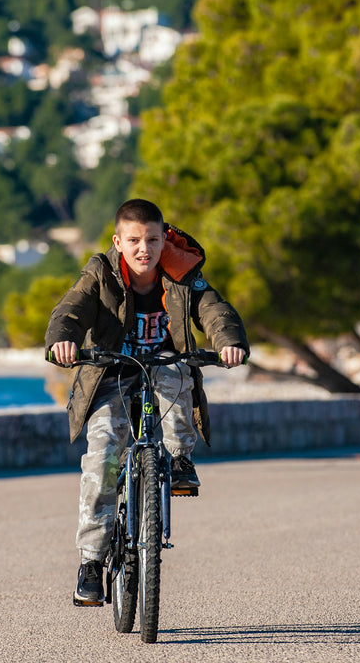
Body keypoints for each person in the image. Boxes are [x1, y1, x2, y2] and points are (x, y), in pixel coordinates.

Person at [46, 198, 249, 607]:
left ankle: (179, 459)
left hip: (163, 365)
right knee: (102, 457)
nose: (144, 249)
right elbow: (71, 310)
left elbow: (215, 311)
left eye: (153, 240)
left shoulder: (182, 273)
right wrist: (62, 340)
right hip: (111, 371)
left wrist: (229, 342)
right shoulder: (100, 273)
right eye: (134, 240)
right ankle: (91, 562)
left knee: (178, 375)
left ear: (164, 239)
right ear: (118, 242)